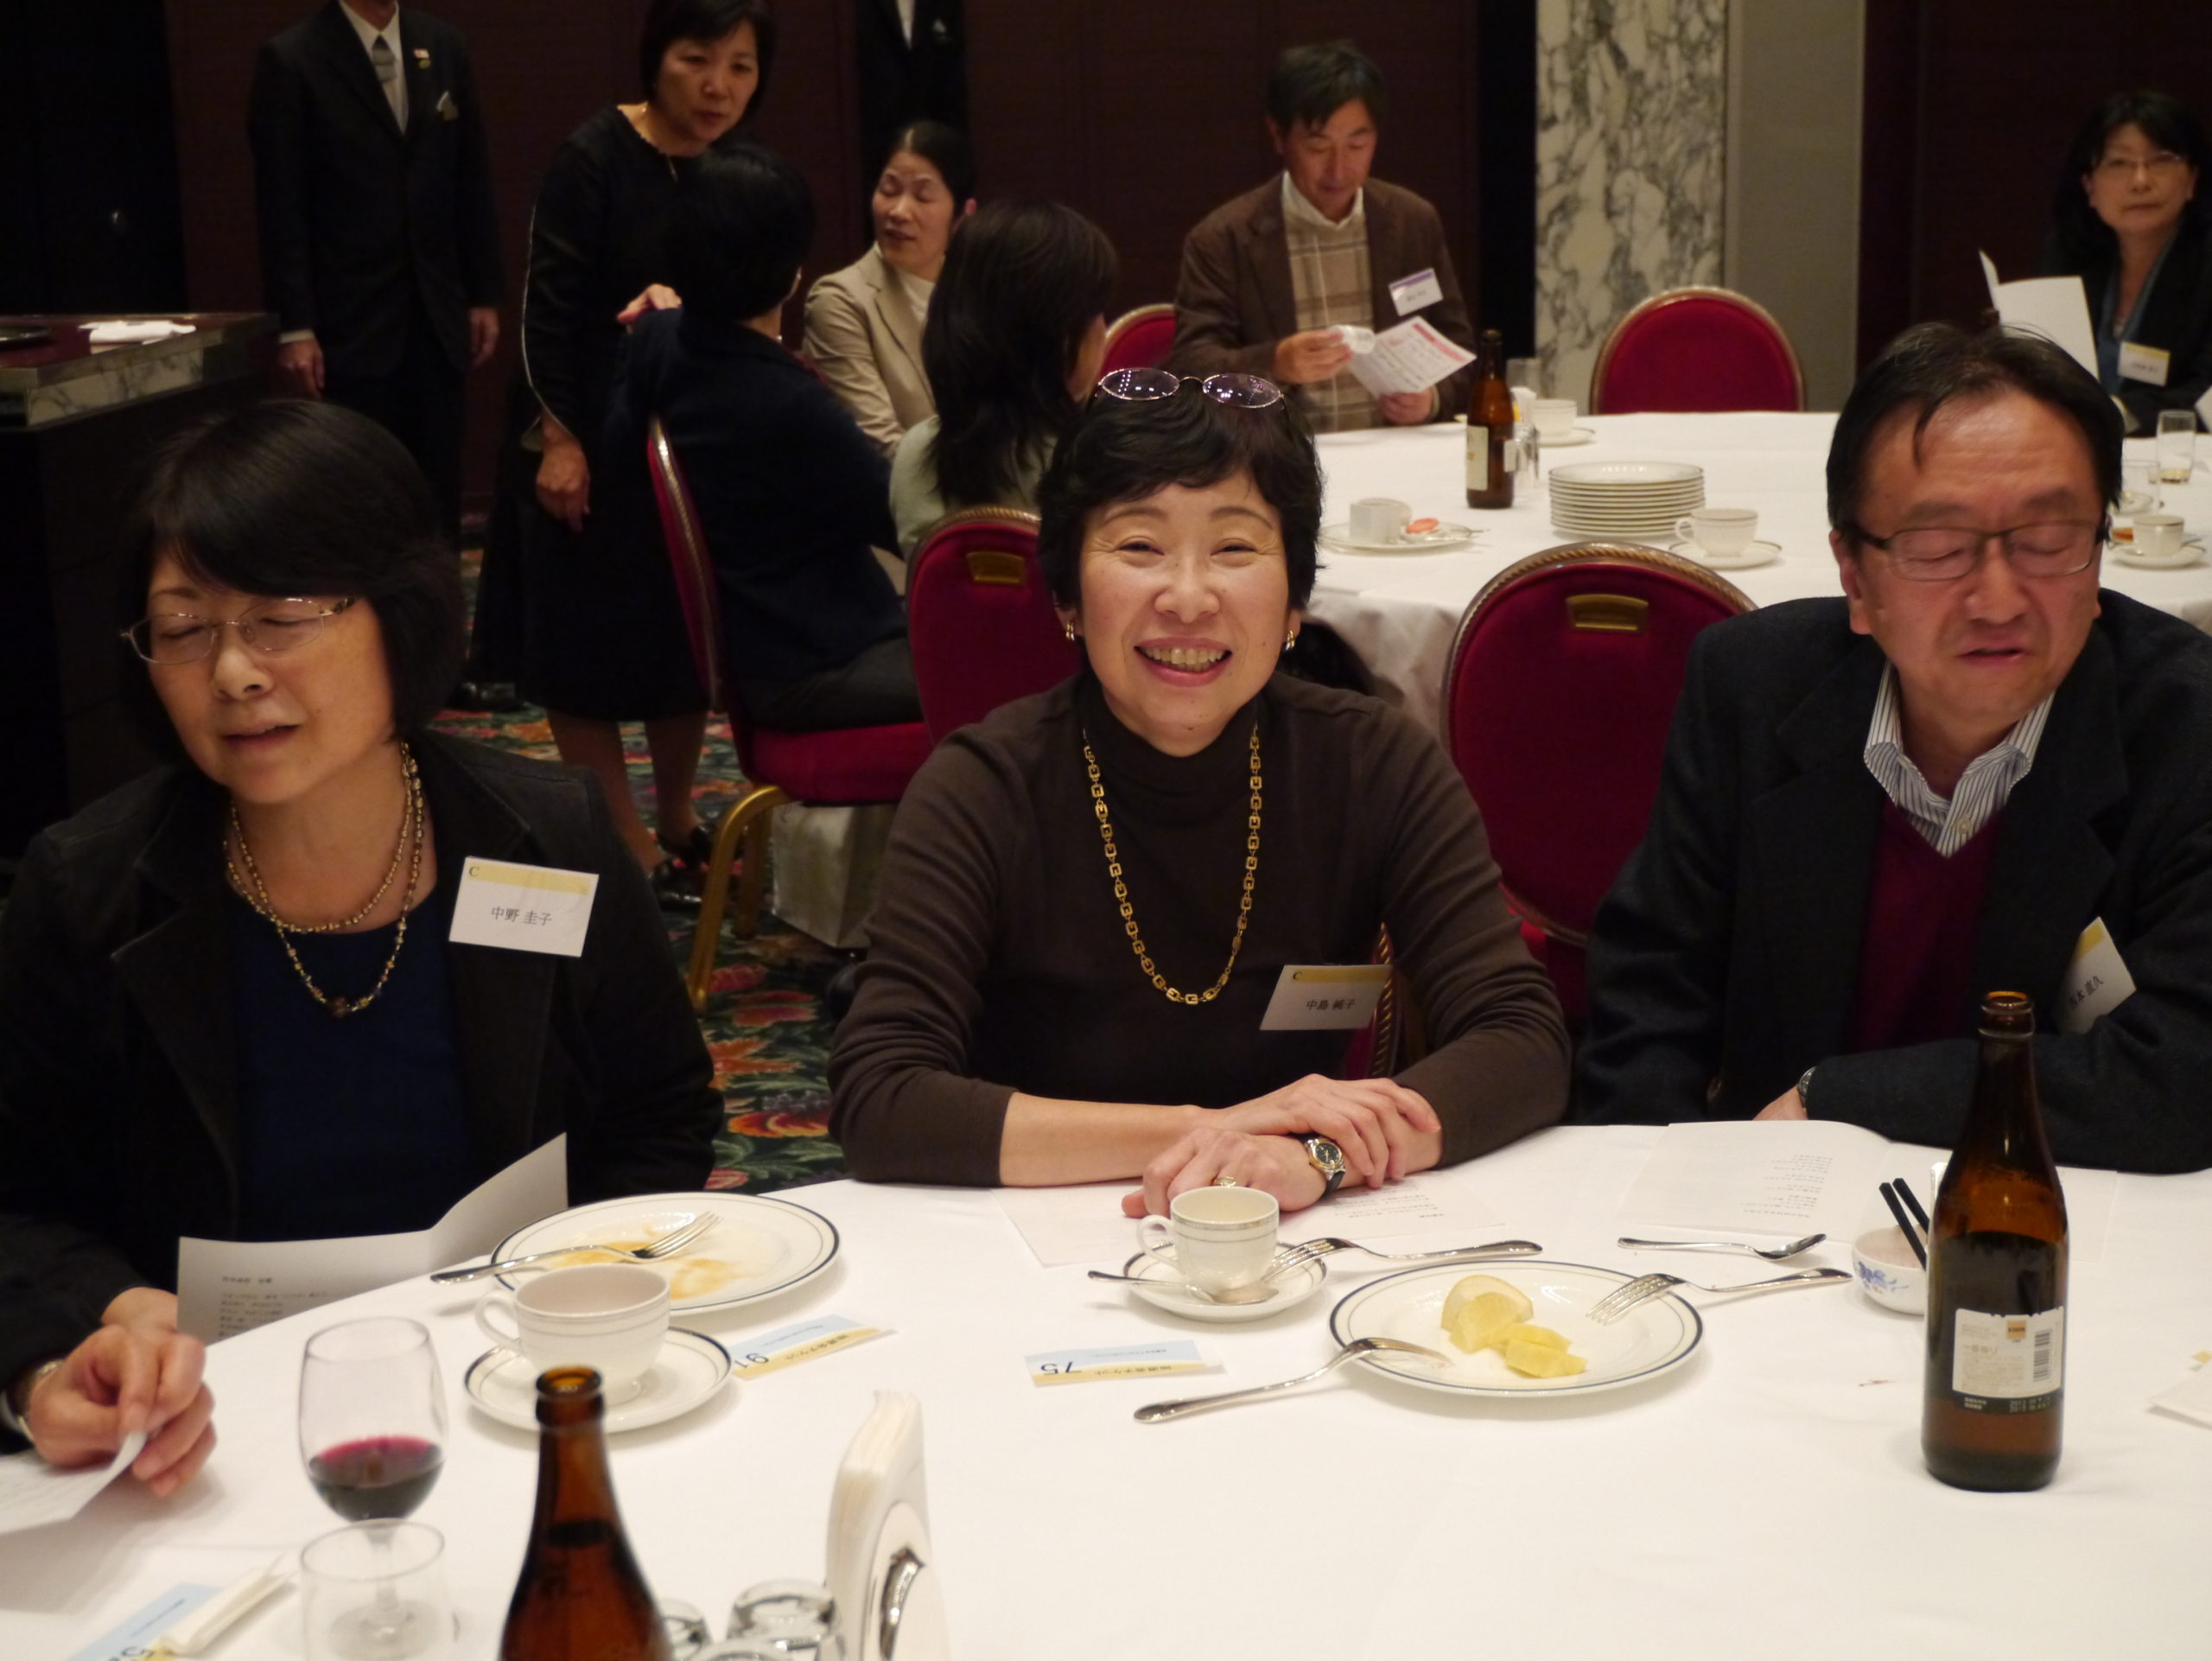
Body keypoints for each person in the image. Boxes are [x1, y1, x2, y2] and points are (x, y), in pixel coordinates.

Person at [0, 401, 720, 1483]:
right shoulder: (87, 891)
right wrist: (77, 1339)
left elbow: (660, 1115)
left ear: (399, 614)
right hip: (208, 1437)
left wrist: (574, 1291)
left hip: (521, 1396)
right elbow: (15, 1203)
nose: (234, 672)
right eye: (185, 628)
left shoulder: (545, 839)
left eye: (280, 616)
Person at [831, 368, 1568, 1212]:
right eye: (1139, 547)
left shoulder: (1371, 762)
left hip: (1290, 1225)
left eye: (1235, 549)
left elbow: (1521, 1039)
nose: (1187, 598)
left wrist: (1316, 1155)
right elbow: (882, 1096)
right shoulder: (982, 787)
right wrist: (1220, 1128)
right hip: (1038, 1229)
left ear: (1294, 604)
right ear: (1068, 596)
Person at [1574, 323, 2212, 1174]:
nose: (1998, 599)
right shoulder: (1751, 687)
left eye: (2048, 540)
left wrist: (1843, 1100)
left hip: (2058, 1212)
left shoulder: (2186, 728)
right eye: (1938, 548)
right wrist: (1650, 1198)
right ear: (1854, 574)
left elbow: (2180, 1072)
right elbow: (1649, 995)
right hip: (1768, 1204)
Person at [511, 0, 775, 888]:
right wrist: (560, 440)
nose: (718, 87)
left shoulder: (737, 165)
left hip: (689, 434)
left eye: (740, 66)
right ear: (655, 58)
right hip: (588, 429)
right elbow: (546, 310)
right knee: (583, 643)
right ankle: (620, 832)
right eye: (697, 60)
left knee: (680, 638)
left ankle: (676, 812)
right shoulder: (593, 157)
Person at [605, 144, 917, 732]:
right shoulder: (791, 406)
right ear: (792, 272)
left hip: (760, 647)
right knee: (1016, 669)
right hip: (818, 664)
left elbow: (619, 445)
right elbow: (909, 526)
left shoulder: (658, 340)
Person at [247, 0, 504, 541]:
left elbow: (470, 177)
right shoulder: (292, 58)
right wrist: (295, 326)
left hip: (435, 311)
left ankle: (438, 594)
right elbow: (281, 207)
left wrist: (483, 292)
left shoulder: (443, 45)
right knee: (361, 491)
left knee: (437, 484)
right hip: (349, 320)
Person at [1166, 40, 1473, 435]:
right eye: (1318, 145)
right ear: (1278, 136)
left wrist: (1433, 398)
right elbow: (1190, 367)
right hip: (1280, 455)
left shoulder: (1411, 222)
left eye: (1357, 145)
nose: (1339, 169)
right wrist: (1275, 363)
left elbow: (1458, 348)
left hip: (1397, 446)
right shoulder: (1225, 238)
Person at [889, 199, 1116, 555]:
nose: (1102, 328)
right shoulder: (1106, 460)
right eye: (1094, 313)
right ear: (1050, 336)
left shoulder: (916, 452)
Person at [2043, 89, 2212, 435]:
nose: (2140, 181)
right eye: (2119, 164)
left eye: (2161, 160)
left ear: (2192, 180)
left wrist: (2118, 414)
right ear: (2090, 187)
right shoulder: (2068, 254)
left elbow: (2206, 394)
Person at [804, 121, 977, 455]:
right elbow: (878, 444)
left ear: (963, 216)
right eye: (889, 189)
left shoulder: (978, 293)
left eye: (922, 196)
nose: (898, 211)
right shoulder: (841, 300)